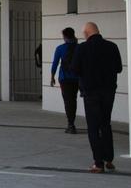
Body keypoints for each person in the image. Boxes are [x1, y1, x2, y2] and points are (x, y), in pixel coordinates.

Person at [70, 21, 122, 173]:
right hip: (108, 91)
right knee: (106, 123)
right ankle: (109, 158)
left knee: (93, 127)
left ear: (86, 34)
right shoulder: (112, 47)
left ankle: (98, 163)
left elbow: (74, 69)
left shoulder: (82, 48)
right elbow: (118, 68)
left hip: (91, 92)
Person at [49, 27, 80, 134]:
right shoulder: (79, 47)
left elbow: (55, 64)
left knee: (68, 101)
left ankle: (71, 124)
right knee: (74, 100)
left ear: (65, 36)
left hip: (65, 78)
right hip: (77, 78)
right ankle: (73, 123)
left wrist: (52, 77)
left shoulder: (60, 48)